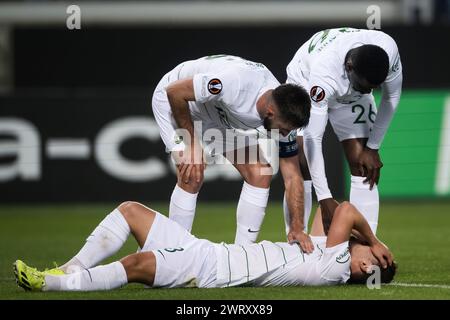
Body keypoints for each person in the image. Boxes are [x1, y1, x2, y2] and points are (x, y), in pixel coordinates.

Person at [13, 166, 396, 292]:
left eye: (369, 253)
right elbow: (331, 213)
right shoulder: (331, 251)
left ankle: (51, 284)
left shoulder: (337, 267)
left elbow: (345, 212)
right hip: (207, 249)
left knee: (136, 264)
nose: (361, 243)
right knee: (130, 210)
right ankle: (71, 268)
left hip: (212, 270)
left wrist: (374, 240)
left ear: (366, 267)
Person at [152, 54, 313, 250]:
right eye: (285, 130)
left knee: (260, 173)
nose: (285, 135)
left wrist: (297, 227)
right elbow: (175, 92)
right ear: (270, 113)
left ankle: (241, 254)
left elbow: (292, 176)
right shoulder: (234, 83)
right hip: (176, 102)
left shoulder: (282, 112)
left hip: (215, 115)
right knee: (192, 171)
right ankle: (173, 251)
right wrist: (192, 144)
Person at [285, 28, 403, 234]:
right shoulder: (324, 74)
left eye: (375, 87)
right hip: (304, 82)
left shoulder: (387, 50)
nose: (370, 92)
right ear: (349, 67)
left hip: (350, 95)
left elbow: (391, 98)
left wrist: (373, 147)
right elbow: (314, 138)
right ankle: (297, 243)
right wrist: (325, 198)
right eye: (366, 86)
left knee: (364, 164)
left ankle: (364, 247)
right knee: (301, 161)